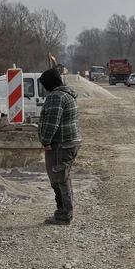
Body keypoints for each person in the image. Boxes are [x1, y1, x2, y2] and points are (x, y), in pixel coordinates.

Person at [37, 67, 81, 225]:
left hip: (60, 144)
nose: (44, 89)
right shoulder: (67, 95)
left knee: (60, 179)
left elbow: (51, 122)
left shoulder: (56, 97)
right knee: (63, 177)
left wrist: (46, 141)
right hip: (70, 142)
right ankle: (63, 212)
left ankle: (64, 214)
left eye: (44, 85)